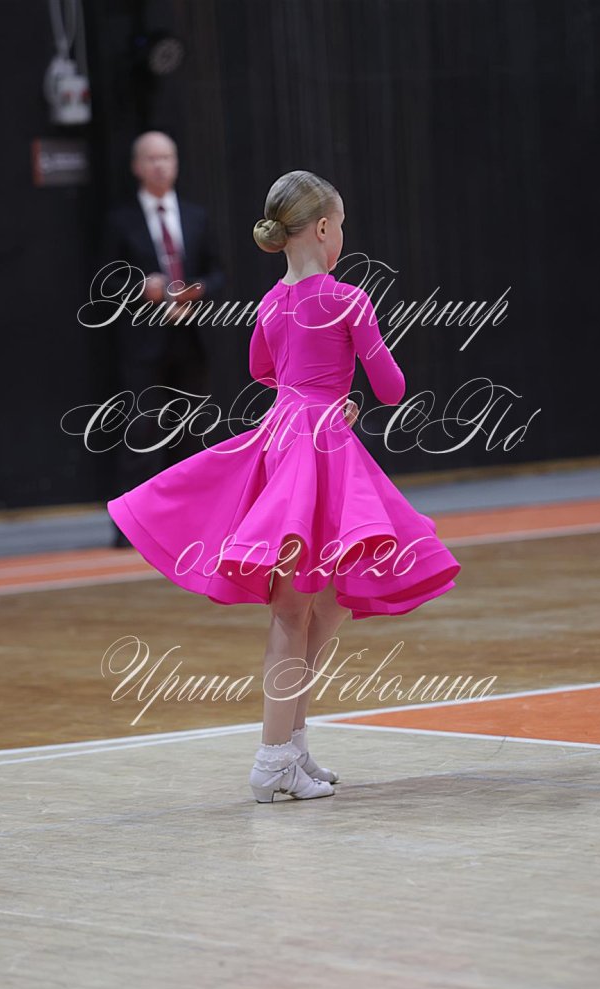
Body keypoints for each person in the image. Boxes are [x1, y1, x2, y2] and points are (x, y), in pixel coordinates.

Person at [107, 170, 462, 803]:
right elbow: (392, 389)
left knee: (327, 602)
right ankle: (272, 760)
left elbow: (261, 369)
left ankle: (291, 747)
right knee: (295, 608)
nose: (342, 235)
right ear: (324, 229)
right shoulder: (349, 299)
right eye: (341, 225)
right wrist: (335, 393)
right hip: (316, 452)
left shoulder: (271, 302)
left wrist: (316, 396)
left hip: (289, 441)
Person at [101, 131, 224, 547]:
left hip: (191, 339)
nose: (160, 165)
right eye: (151, 158)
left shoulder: (195, 216)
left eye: (166, 157)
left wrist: (195, 291)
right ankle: (132, 529)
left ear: (176, 163)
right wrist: (141, 287)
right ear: (137, 166)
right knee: (141, 431)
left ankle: (191, 527)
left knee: (191, 433)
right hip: (142, 344)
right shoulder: (120, 220)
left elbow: (217, 274)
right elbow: (105, 281)